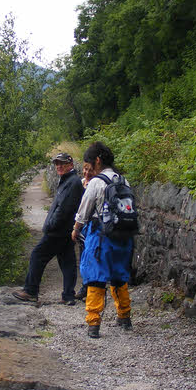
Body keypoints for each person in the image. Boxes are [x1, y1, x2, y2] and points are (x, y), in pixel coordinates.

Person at [71, 142, 134, 338]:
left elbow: (84, 211)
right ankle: (124, 317)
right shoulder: (124, 181)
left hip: (101, 236)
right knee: (119, 276)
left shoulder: (97, 183)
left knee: (95, 278)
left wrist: (75, 230)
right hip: (124, 236)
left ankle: (94, 323)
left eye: (89, 163)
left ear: (97, 160)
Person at [14, 152, 84, 305]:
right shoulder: (69, 181)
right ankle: (68, 295)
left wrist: (50, 225)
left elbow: (64, 209)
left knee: (37, 255)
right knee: (67, 261)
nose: (59, 166)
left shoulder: (72, 182)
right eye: (57, 163)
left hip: (58, 230)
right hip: (65, 230)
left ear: (71, 165)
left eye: (62, 163)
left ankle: (31, 291)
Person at [73, 161, 94, 302]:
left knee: (90, 258)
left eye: (90, 170)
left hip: (91, 226)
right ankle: (85, 286)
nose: (87, 172)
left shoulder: (96, 186)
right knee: (83, 258)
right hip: (82, 226)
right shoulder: (80, 183)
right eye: (85, 169)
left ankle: (89, 289)